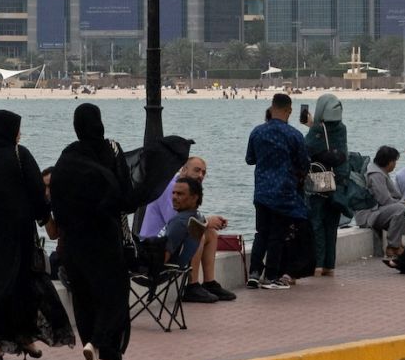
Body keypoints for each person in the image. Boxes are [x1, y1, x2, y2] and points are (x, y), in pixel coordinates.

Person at [0, 109, 71, 360]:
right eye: (17, 129)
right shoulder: (21, 155)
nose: (20, 134)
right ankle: (24, 337)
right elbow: (36, 192)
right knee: (23, 284)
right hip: (19, 232)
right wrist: (45, 218)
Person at [48, 103, 133, 360]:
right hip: (105, 236)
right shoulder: (111, 150)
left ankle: (90, 345)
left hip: (74, 239)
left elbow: (56, 198)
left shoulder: (67, 157)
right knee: (115, 293)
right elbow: (125, 193)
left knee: (83, 295)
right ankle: (96, 343)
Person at [140, 156, 233, 300]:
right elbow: (177, 223)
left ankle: (209, 283)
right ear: (183, 169)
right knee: (198, 235)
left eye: (203, 172)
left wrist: (208, 223)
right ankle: (192, 286)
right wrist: (207, 221)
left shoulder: (186, 186)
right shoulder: (172, 188)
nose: (201, 175)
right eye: (197, 170)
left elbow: (186, 219)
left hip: (170, 240)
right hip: (155, 245)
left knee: (211, 233)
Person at [245, 93, 309, 289]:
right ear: (289, 110)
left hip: (262, 191)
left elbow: (250, 159)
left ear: (271, 108)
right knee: (277, 235)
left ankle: (254, 273)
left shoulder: (257, 132)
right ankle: (271, 275)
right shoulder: (294, 135)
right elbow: (304, 164)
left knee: (261, 233)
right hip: (284, 192)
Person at [303, 93, 353, 276]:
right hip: (338, 182)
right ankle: (329, 266)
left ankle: (317, 264)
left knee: (316, 222)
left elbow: (307, 148)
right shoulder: (342, 128)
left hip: (319, 182)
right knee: (332, 225)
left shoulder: (317, 129)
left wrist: (312, 126)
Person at [354, 145, 405, 258]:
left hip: (376, 210)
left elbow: (393, 197)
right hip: (369, 215)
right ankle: (393, 246)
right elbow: (384, 200)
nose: (395, 164)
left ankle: (397, 243)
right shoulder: (376, 175)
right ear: (389, 162)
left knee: (402, 209)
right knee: (400, 209)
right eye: (394, 161)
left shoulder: (380, 172)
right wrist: (402, 204)